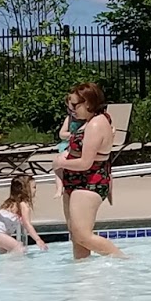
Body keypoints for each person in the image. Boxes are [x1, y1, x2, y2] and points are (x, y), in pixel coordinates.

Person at [53, 82, 125, 260]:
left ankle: (124, 262)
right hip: (76, 181)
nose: (72, 110)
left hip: (90, 182)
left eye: (75, 105)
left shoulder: (95, 124)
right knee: (76, 237)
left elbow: (86, 163)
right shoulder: (91, 121)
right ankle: (83, 272)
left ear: (87, 103)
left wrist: (60, 162)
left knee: (83, 236)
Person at [0, 172, 47, 255]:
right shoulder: (23, 205)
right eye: (34, 187)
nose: (35, 190)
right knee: (19, 249)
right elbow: (27, 224)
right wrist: (38, 239)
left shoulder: (11, 202)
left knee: (7, 257)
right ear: (24, 189)